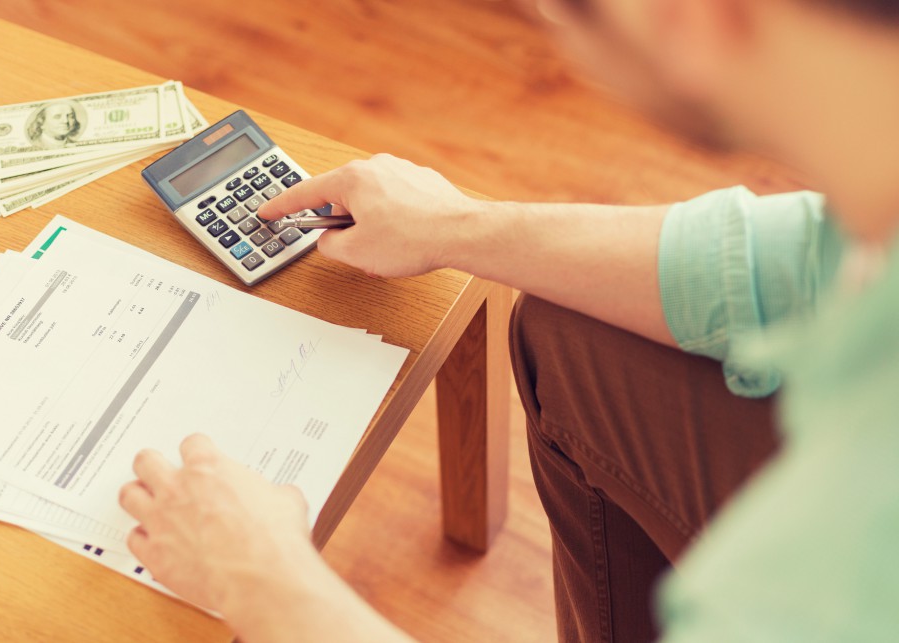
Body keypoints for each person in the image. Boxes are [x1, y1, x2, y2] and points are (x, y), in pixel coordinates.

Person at [118, 0, 899, 640]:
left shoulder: (838, 557)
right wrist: (458, 225)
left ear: (695, 19)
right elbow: (793, 258)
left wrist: (262, 579)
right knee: (573, 330)